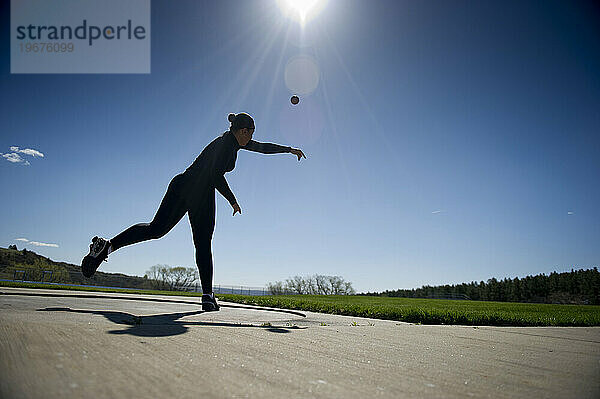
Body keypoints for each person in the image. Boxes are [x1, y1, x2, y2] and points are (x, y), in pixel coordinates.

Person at [81, 112, 306, 311]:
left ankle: (107, 246)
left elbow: (262, 147)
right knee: (201, 243)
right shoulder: (225, 145)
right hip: (199, 192)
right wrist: (233, 200)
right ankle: (207, 296)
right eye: (251, 133)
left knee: (156, 229)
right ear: (244, 131)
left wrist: (288, 150)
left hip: (183, 186)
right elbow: (216, 175)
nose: (251, 138)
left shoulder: (233, 142)